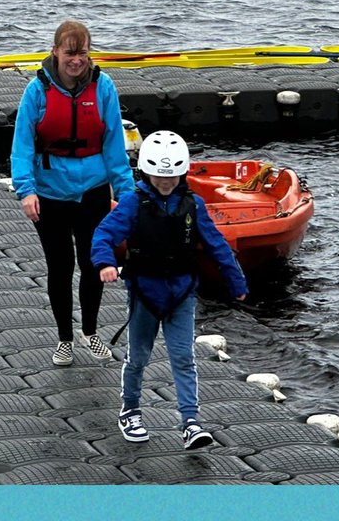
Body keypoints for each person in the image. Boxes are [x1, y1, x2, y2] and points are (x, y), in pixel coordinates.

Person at [92, 131, 248, 451]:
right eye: (160, 177)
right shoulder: (134, 203)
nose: (167, 182)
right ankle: (131, 410)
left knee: (183, 357)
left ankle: (190, 422)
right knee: (138, 357)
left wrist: (236, 282)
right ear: (147, 173)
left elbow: (216, 244)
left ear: (183, 172)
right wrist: (105, 263)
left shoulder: (194, 205)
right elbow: (104, 234)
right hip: (145, 294)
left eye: (173, 176)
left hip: (182, 293)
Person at [11, 20, 135, 367]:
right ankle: (65, 338)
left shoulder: (103, 87)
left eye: (82, 53)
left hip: (93, 191)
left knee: (93, 261)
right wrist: (26, 191)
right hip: (50, 193)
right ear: (55, 52)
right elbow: (21, 147)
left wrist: (127, 195)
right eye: (69, 53)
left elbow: (114, 147)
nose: (76, 60)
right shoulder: (37, 91)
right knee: (60, 265)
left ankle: (91, 332)